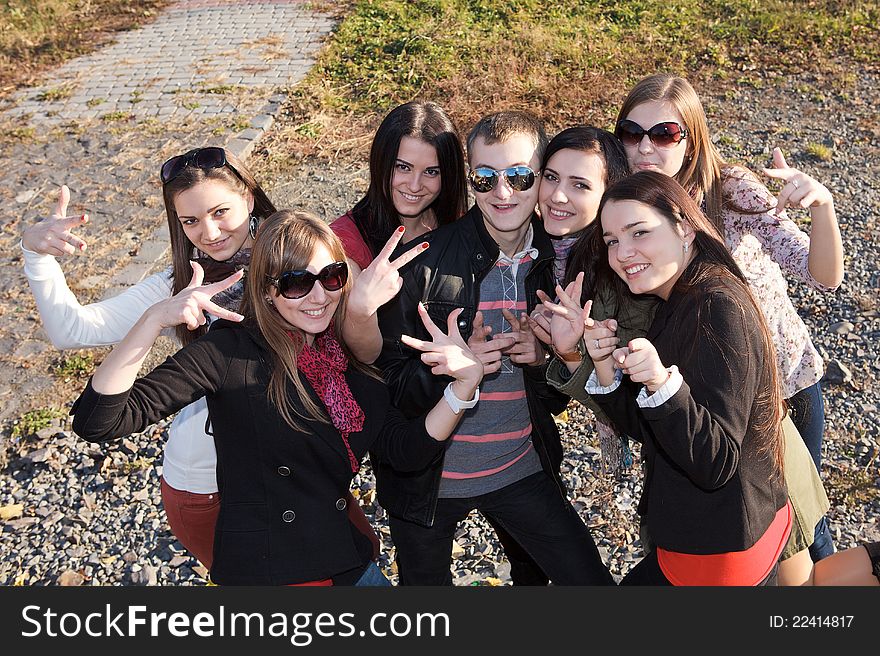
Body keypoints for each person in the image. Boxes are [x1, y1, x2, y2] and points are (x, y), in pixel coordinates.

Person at [71, 210, 483, 586]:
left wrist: (462, 389)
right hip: (273, 571)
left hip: (346, 557)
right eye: (297, 283)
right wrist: (153, 318)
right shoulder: (229, 354)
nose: (319, 296)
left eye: (332, 277)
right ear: (267, 291)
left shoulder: (344, 358)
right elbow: (99, 421)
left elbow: (405, 451)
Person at [21, 147, 380, 568]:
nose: (208, 233)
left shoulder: (302, 260)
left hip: (306, 468)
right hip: (213, 486)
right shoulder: (179, 284)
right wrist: (36, 255)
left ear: (247, 198)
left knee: (364, 553)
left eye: (219, 212)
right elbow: (73, 330)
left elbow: (361, 354)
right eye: (190, 221)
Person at [375, 110, 613, 586]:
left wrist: (542, 359)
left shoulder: (557, 261)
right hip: (429, 485)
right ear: (470, 180)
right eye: (485, 178)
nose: (503, 193)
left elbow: (554, 398)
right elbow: (390, 388)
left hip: (519, 469)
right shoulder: (422, 264)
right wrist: (451, 372)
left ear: (542, 178)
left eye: (520, 176)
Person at [614, 73, 844, 562]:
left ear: (692, 140)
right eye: (632, 133)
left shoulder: (729, 190)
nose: (645, 147)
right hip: (704, 397)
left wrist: (822, 207)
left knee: (802, 526)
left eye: (664, 134)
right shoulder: (626, 208)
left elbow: (821, 274)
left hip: (783, 387)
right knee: (741, 529)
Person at [544, 171, 790, 585]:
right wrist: (598, 360)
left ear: (685, 229)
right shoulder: (677, 297)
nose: (623, 253)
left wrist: (661, 383)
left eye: (639, 232)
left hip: (718, 553)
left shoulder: (716, 307)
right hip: (707, 538)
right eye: (611, 241)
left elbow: (716, 462)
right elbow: (652, 429)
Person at [530, 125, 646, 471]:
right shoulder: (534, 247)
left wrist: (567, 353)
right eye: (551, 177)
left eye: (579, 185)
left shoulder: (624, 271)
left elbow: (630, 407)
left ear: (609, 194)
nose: (557, 196)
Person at [331, 100, 467, 272]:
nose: (415, 186)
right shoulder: (344, 244)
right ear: (380, 162)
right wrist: (363, 298)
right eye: (403, 167)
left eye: (431, 172)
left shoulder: (460, 225)